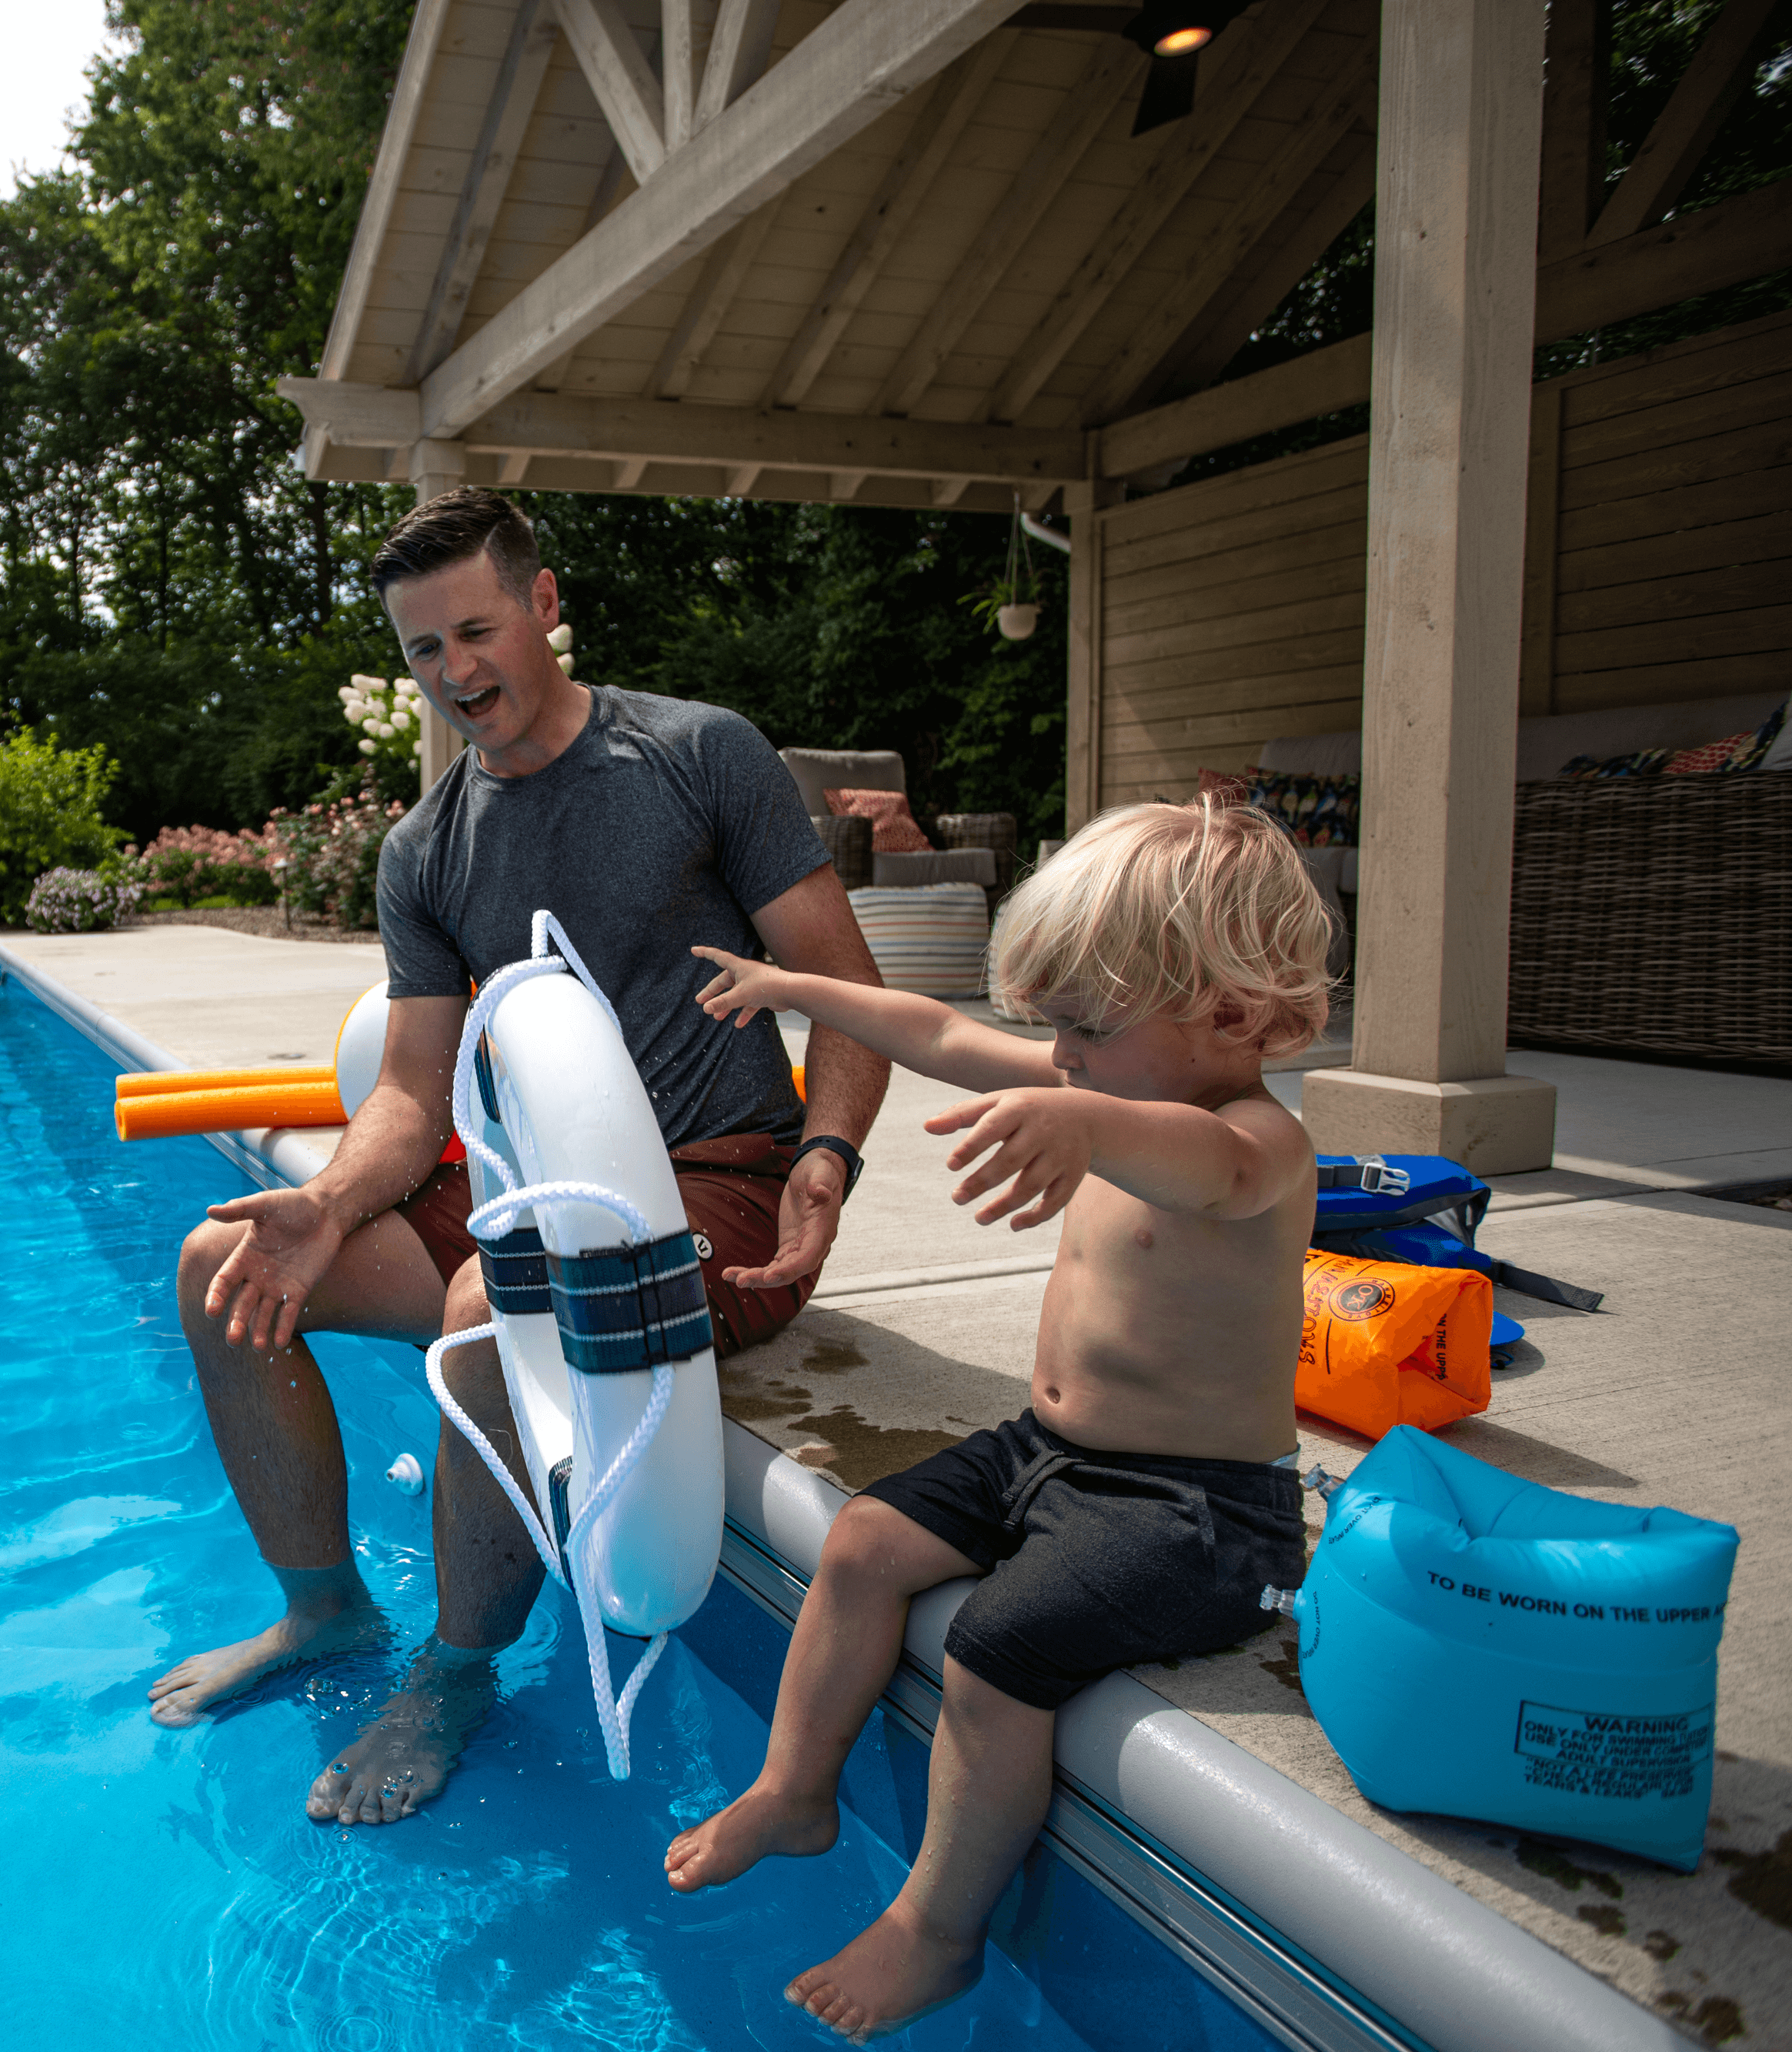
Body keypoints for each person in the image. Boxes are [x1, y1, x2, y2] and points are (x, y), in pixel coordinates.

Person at [144, 488, 890, 1826]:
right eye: (424, 650)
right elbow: (410, 1091)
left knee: (498, 1301)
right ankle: (321, 1611)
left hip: (718, 1182)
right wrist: (320, 1203)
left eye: (476, 631)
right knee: (223, 1265)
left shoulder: (699, 754)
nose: (455, 673)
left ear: (544, 604)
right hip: (521, 1178)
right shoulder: (425, 848)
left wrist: (826, 1153)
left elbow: (842, 985)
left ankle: (458, 1665)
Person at [661, 795, 1333, 2041]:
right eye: (1055, 1034)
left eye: (1086, 1029)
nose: (1058, 1058)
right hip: (1049, 1454)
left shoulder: (1260, 1145)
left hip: (1200, 1512)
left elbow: (1195, 1162)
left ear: (1230, 1017)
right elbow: (934, 1030)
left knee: (996, 1649)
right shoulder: (1102, 1071)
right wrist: (792, 982)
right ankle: (795, 1787)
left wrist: (1085, 1121)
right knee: (860, 1542)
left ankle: (939, 1927)